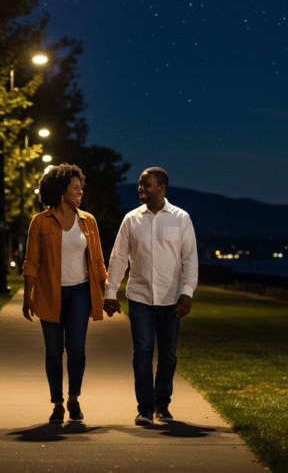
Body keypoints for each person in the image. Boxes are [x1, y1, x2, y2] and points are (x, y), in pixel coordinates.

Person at [104, 167, 198, 426]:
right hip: (140, 296)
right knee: (142, 352)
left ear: (161, 188)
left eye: (146, 185)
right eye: (140, 184)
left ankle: (162, 404)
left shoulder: (181, 219)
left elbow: (190, 259)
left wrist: (187, 292)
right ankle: (144, 408)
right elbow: (119, 257)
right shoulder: (131, 220)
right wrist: (110, 292)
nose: (140, 189)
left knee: (168, 355)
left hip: (170, 298)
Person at [22, 163, 108, 423]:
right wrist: (28, 297)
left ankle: (73, 398)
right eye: (75, 187)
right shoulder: (40, 222)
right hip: (49, 292)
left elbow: (98, 262)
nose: (80, 191)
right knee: (53, 351)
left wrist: (107, 295)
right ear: (61, 191)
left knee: (77, 349)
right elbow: (31, 262)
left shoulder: (88, 220)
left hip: (80, 293)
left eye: (81, 187)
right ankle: (57, 403)